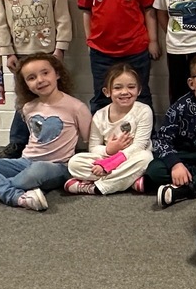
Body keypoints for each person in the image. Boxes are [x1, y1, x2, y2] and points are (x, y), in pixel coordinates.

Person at [0, 54, 90, 211]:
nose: (40, 80)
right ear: (26, 84)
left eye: (45, 73)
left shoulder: (76, 107)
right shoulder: (28, 108)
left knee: (37, 170)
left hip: (58, 166)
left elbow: (90, 140)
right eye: (31, 78)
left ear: (58, 74)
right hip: (25, 162)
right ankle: (16, 197)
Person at [0, 0, 73, 158]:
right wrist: (7, 51)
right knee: (24, 99)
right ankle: (18, 141)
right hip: (20, 53)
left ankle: (54, 140)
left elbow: (62, 17)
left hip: (48, 51)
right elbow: (1, 21)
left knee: (51, 96)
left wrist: (60, 48)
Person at [143, 52, 196, 208]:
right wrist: (176, 164)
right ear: (191, 83)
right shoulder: (180, 107)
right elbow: (161, 140)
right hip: (186, 157)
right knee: (154, 170)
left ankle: (186, 188)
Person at [65, 64, 154, 195]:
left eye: (131, 87)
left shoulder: (143, 110)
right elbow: (93, 148)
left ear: (139, 90)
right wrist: (109, 149)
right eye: (118, 87)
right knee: (74, 162)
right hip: (107, 157)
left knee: (146, 158)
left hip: (132, 157)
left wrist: (109, 165)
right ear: (107, 92)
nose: (125, 92)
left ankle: (95, 187)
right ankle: (128, 180)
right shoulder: (99, 115)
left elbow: (140, 146)